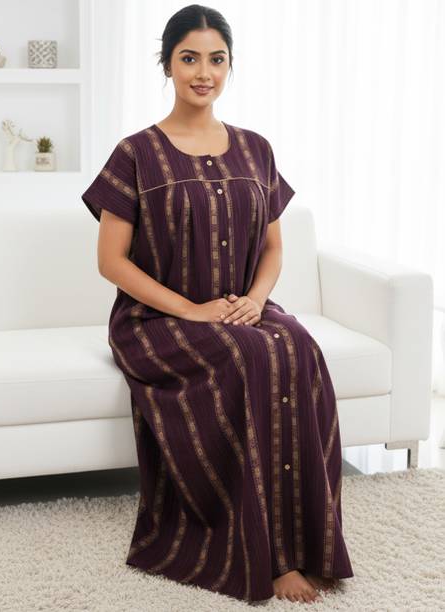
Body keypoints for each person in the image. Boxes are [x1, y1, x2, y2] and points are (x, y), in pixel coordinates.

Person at [81, 4, 354, 605]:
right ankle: (268, 554)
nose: (203, 72)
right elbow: (112, 262)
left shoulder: (257, 149)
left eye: (216, 59)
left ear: (230, 66)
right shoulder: (135, 153)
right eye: (189, 59)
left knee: (300, 348)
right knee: (248, 358)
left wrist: (255, 300)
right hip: (156, 319)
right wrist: (191, 310)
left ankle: (312, 542)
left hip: (241, 307)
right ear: (167, 65)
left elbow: (274, 247)